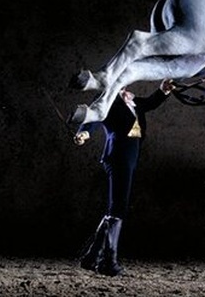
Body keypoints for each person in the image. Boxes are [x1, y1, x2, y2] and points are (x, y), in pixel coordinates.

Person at [70, 78, 177, 277]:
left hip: (129, 157)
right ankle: (108, 261)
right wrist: (84, 134)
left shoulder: (130, 100)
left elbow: (149, 104)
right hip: (117, 156)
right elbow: (93, 118)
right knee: (118, 207)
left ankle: (92, 257)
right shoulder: (106, 100)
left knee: (115, 207)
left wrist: (163, 90)